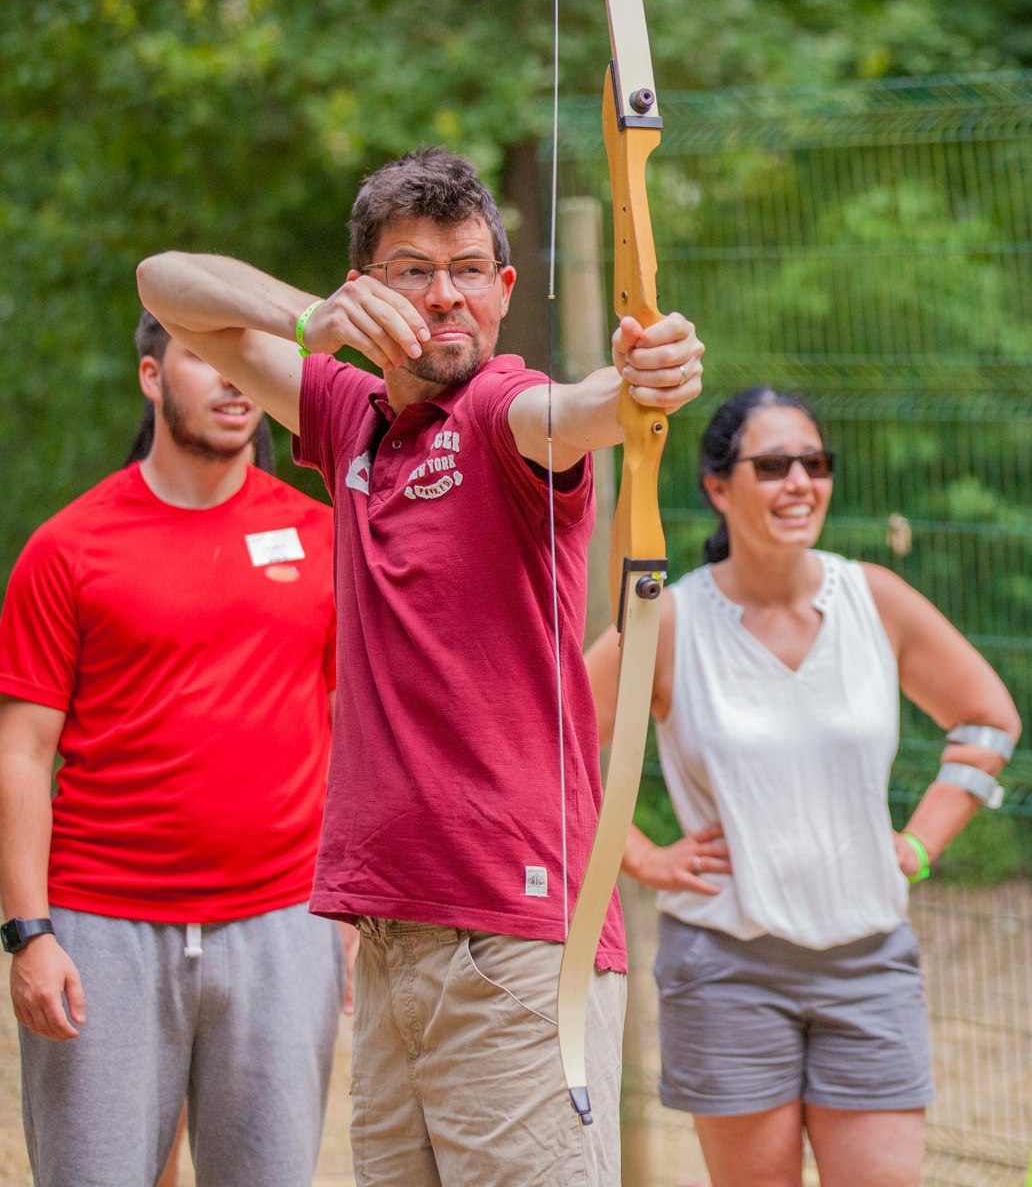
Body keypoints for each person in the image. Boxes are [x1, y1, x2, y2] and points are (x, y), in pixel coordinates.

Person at [134, 145, 707, 1186]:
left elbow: (573, 413)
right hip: (393, 935)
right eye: (411, 269)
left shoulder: (500, 409)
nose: (445, 295)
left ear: (503, 292)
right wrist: (314, 316)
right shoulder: (347, 415)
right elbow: (165, 286)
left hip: (515, 943)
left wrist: (633, 387)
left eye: (469, 270)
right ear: (365, 284)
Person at [585, 386, 1022, 1187]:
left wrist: (921, 843)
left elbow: (987, 722)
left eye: (815, 463)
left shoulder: (874, 600)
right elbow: (549, 747)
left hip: (870, 961)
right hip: (727, 968)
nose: (801, 483)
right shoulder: (668, 621)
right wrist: (641, 859)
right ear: (718, 487)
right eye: (774, 464)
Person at [0, 312, 345, 1186]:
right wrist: (28, 932)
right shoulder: (66, 549)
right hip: (102, 931)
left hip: (281, 928)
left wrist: (343, 913)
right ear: (152, 378)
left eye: (249, 361)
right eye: (206, 358)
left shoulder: (323, 538)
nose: (234, 380)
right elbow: (22, 752)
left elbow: (352, 734)